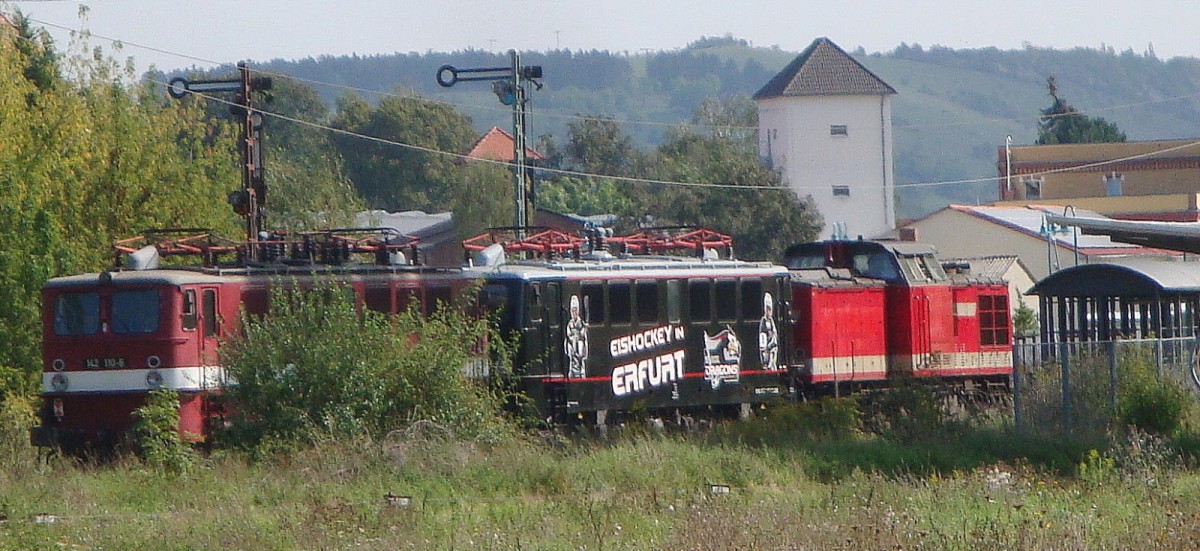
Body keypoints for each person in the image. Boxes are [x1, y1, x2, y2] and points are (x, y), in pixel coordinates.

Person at [565, 295, 588, 378]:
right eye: (572, 310)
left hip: (579, 347)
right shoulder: (570, 324)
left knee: (581, 358)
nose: (574, 312)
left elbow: (583, 335)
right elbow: (568, 335)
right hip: (573, 347)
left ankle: (582, 372)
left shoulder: (581, 323)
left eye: (575, 310)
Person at [759, 292, 779, 370]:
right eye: (767, 309)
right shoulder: (763, 320)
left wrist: (773, 339)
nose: (769, 311)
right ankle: (766, 364)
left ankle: (772, 364)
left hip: (772, 343)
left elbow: (774, 331)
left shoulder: (771, 320)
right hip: (766, 344)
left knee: (773, 352)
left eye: (770, 309)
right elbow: (762, 334)